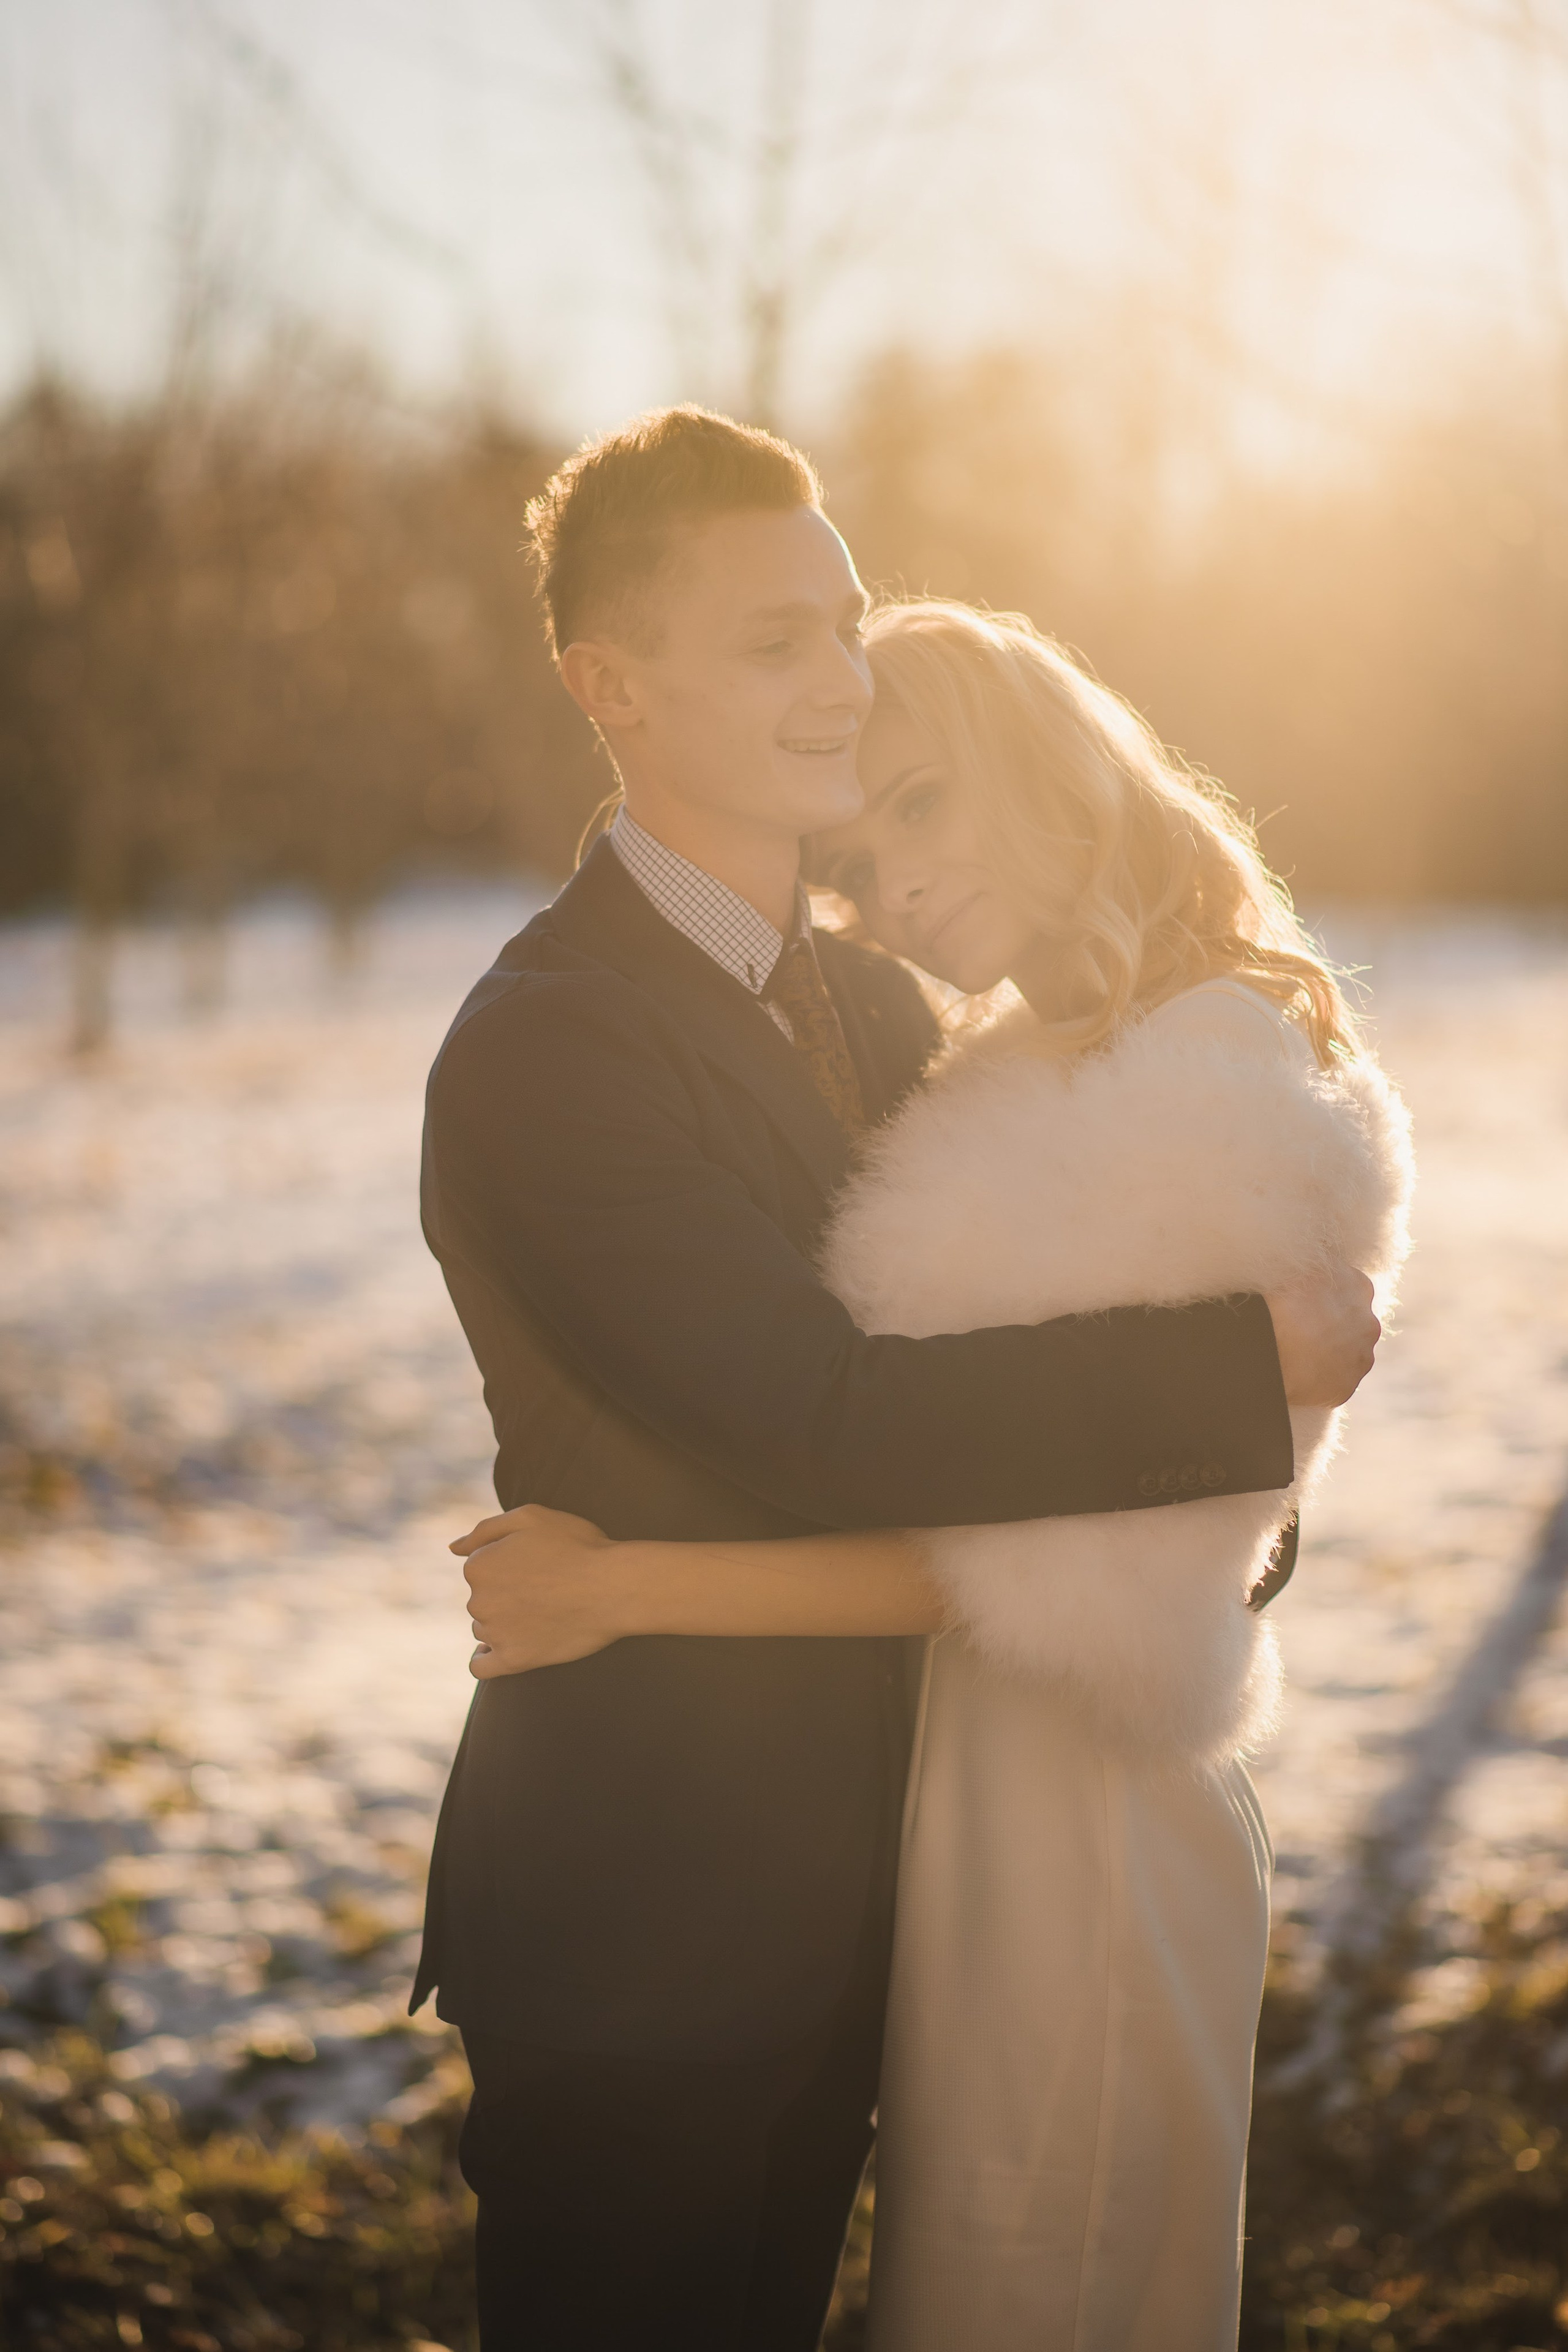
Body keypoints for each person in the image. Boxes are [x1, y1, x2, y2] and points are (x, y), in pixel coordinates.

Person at [411, 407, 1381, 2352]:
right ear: (613, 687)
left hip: (906, 1902)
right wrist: (1231, 1375)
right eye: (775, 641)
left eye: (844, 627)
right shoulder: (551, 1044)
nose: (840, 682)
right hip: (653, 1925)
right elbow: (824, 1417)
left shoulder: (883, 1003)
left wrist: (1239, 1477)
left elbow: (1024, 1349)